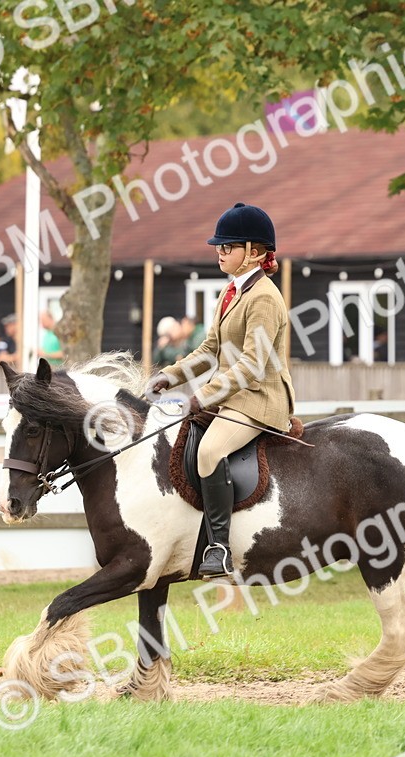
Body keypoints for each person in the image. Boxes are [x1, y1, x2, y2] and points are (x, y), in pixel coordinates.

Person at [145, 202, 295, 579]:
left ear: (254, 252)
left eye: (228, 247)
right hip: (233, 395)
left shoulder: (264, 297)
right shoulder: (232, 292)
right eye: (219, 247)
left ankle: (219, 548)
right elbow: (210, 350)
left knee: (210, 451)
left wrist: (203, 396)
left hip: (260, 398)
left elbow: (251, 366)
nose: (220, 252)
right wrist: (171, 376)